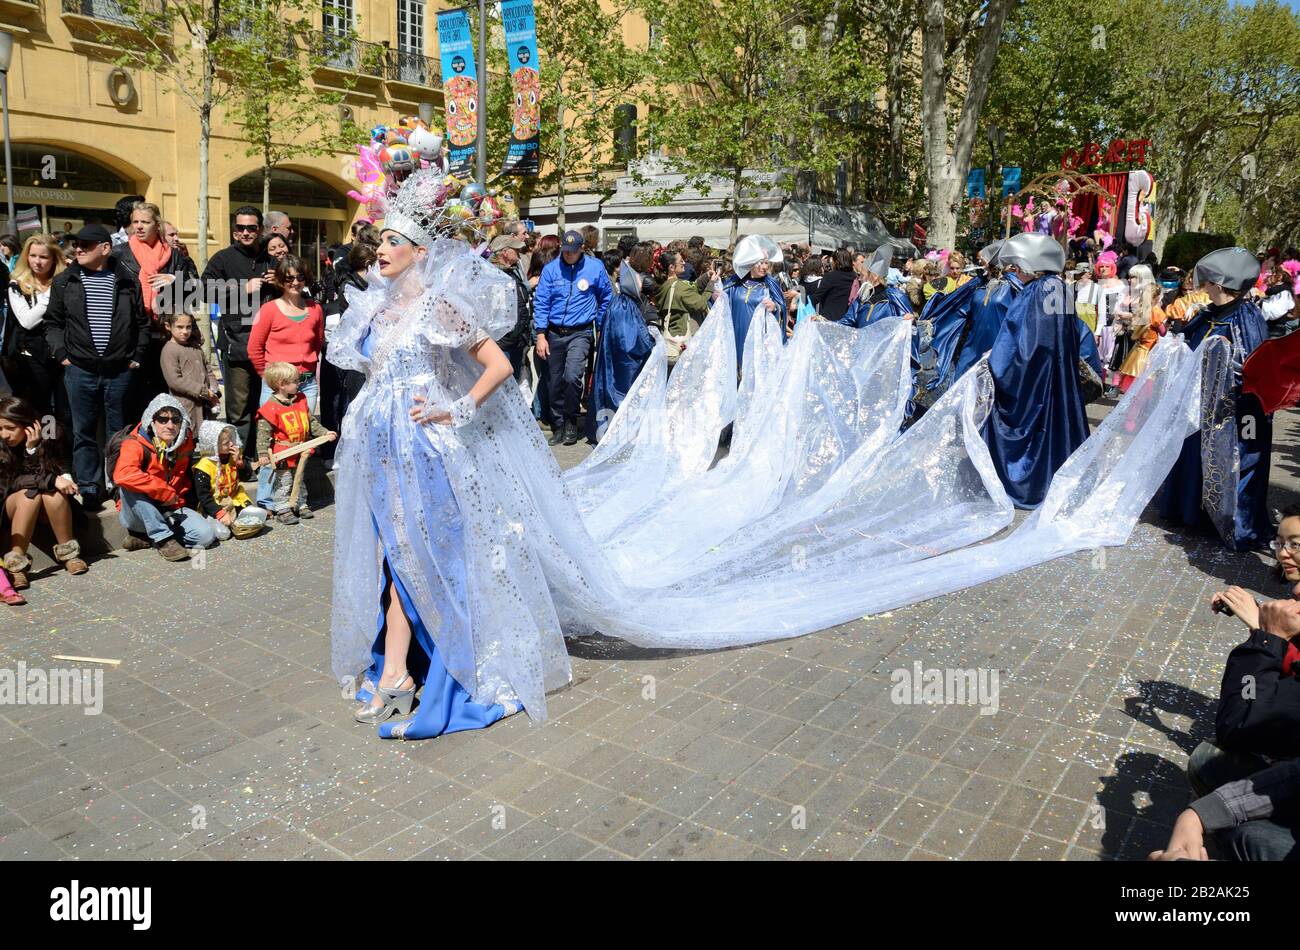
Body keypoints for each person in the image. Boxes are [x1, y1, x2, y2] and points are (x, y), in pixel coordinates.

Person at [1159, 247, 1271, 551]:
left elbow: (1251, 370)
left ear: (1219, 286)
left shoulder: (1244, 318)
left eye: (1208, 283)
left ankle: (1224, 518)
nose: (1202, 288)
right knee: (1193, 453)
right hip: (1199, 406)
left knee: (1225, 461)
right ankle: (1189, 510)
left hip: (1231, 414)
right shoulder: (1211, 313)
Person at [43, 223, 149, 512]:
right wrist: (62, 353)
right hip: (80, 369)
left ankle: (118, 484)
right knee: (84, 431)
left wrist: (135, 357)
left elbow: (141, 323)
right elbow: (53, 323)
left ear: (105, 248)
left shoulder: (128, 280)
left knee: (119, 432)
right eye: (77, 244)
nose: (79, 249)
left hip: (119, 370)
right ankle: (90, 488)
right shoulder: (65, 281)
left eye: (86, 245)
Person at [982, 232, 1090, 509]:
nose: (1015, 273)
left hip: (1036, 378)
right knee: (1057, 426)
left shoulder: (1040, 289)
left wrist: (997, 363)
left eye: (1017, 267)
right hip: (1057, 375)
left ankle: (1031, 484)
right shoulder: (1060, 287)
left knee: (1034, 426)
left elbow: (1029, 342)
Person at [248, 255, 324, 513]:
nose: (295, 282)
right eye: (289, 277)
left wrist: (308, 372)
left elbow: (317, 343)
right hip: (275, 386)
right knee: (270, 444)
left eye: (300, 276)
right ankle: (267, 501)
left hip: (306, 385)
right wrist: (268, 378)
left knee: (300, 439)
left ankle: (294, 498)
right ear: (280, 280)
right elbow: (254, 348)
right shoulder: (269, 309)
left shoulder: (315, 308)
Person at [533, 229, 612, 446]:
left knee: (572, 376)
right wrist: (541, 335)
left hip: (581, 332)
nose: (568, 255)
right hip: (554, 333)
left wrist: (600, 323)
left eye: (572, 252)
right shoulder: (551, 270)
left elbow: (606, 297)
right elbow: (541, 302)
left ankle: (571, 420)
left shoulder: (595, 268)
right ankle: (558, 424)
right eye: (565, 252)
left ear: (582, 249)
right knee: (554, 381)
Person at [0, 395, 88, 589]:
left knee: (53, 494)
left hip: (46, 508)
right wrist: (50, 479)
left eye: (11, 428)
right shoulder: (1, 447)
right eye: (0, 428)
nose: (5, 434)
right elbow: (12, 484)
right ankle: (16, 564)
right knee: (28, 496)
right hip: (12, 505)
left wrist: (33, 449)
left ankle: (69, 555)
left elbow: (54, 470)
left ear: (29, 425)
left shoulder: (48, 436)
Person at [114, 393, 215, 561]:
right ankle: (163, 540)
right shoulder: (134, 443)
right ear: (151, 421)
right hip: (139, 511)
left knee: (205, 537)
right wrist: (163, 491)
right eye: (163, 419)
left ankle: (146, 538)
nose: (170, 425)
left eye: (175, 420)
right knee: (128, 483)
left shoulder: (185, 442)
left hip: (171, 507)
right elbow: (123, 475)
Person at [203, 207, 269, 451]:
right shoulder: (222, 258)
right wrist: (243, 288)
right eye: (240, 228)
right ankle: (239, 458)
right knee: (239, 408)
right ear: (234, 231)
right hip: (237, 342)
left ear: (259, 229)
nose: (245, 232)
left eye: (251, 228)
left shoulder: (269, 256)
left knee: (265, 403)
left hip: (270, 344)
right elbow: (205, 290)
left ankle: (260, 453)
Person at [3, 234, 68, 448]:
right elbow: (27, 320)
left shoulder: (65, 283)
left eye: (43, 257)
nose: (37, 262)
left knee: (63, 412)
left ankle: (58, 455)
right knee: (40, 410)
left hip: (59, 357)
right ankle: (42, 452)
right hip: (28, 361)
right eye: (32, 256)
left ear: (53, 260)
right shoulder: (17, 284)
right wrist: (53, 292)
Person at [255, 361, 334, 524]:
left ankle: (300, 503)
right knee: (284, 482)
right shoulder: (270, 408)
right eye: (295, 381)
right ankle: (283, 508)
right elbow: (262, 434)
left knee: (299, 478)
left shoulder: (300, 400)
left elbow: (310, 422)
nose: (299, 384)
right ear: (281, 385)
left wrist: (325, 433)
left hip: (301, 451)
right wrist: (262, 454)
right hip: (283, 453)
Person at [588, 252, 654, 443]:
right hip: (621, 368)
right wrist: (650, 343)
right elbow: (628, 342)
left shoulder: (623, 302)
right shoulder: (623, 306)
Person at [721, 235, 786, 373]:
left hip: (758, 339)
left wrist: (775, 307)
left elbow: (782, 309)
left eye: (766, 263)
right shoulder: (734, 283)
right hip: (735, 335)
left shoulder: (770, 285)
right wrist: (715, 294)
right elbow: (718, 309)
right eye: (760, 263)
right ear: (751, 262)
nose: (764, 267)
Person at [191, 421, 258, 542]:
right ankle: (212, 521)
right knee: (223, 534)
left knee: (254, 520)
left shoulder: (233, 455)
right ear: (214, 446)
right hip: (215, 505)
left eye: (231, 440)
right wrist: (220, 513)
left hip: (235, 498)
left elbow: (247, 477)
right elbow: (204, 498)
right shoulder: (204, 467)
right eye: (226, 443)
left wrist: (239, 463)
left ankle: (236, 518)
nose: (232, 444)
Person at [160, 310, 219, 434]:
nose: (185, 331)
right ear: (168, 326)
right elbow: (175, 381)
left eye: (188, 327)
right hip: (185, 407)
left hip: (205, 406)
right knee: (185, 445)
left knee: (207, 444)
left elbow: (208, 370)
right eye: (180, 327)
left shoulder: (195, 347)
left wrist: (213, 389)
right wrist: (203, 391)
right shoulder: (169, 350)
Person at [1114, 264, 1166, 392]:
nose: (1130, 279)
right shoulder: (1127, 291)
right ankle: (1118, 388)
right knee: (1126, 365)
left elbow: (1148, 319)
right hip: (1133, 336)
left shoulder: (1151, 298)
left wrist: (1130, 316)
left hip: (1143, 342)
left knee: (1137, 370)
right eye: (1129, 276)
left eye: (1134, 277)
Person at [488, 233, 532, 383]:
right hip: (502, 343)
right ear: (505, 252)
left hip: (517, 341)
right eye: (516, 250)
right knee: (503, 387)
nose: (519, 254)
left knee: (514, 384)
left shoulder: (513, 271)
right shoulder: (491, 274)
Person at [656, 249, 711, 367]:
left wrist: (706, 277)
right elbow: (700, 304)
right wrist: (710, 287)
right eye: (681, 261)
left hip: (669, 339)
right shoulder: (680, 287)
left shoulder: (664, 286)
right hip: (682, 340)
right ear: (671, 267)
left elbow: (692, 287)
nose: (684, 263)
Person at [811, 248, 856, 323]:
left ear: (836, 261)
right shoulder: (855, 276)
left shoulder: (831, 276)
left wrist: (801, 296)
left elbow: (817, 297)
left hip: (829, 318)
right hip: (847, 319)